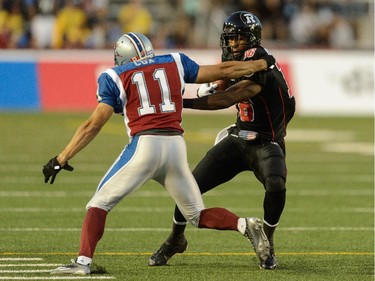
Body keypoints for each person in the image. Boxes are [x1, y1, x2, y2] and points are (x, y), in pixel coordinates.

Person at [42, 31, 273, 275]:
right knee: (196, 214)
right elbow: (224, 71)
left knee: (98, 204)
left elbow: (94, 124)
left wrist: (61, 158)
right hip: (175, 146)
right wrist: (259, 63)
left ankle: (83, 263)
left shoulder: (113, 75)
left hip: (145, 146)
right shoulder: (174, 60)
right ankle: (243, 224)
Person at [149, 11, 295, 270]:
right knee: (189, 186)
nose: (232, 44)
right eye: (229, 39)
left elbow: (227, 99)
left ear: (251, 40)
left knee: (275, 184)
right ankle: (175, 239)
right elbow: (226, 76)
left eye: (238, 39)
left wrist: (183, 103)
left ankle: (267, 241)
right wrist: (216, 83)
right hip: (238, 139)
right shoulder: (239, 57)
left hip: (266, 142)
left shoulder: (259, 67)